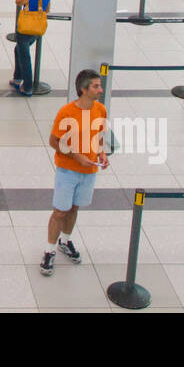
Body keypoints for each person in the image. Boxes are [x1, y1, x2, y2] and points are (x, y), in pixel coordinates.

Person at [40, 69, 108, 276]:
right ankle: (49, 251)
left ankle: (65, 240)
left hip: (89, 171)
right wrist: (77, 156)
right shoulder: (67, 112)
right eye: (96, 86)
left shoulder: (101, 110)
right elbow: (54, 141)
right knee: (60, 211)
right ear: (83, 89)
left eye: (99, 85)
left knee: (74, 208)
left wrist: (102, 153)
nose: (100, 89)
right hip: (67, 171)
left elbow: (100, 135)